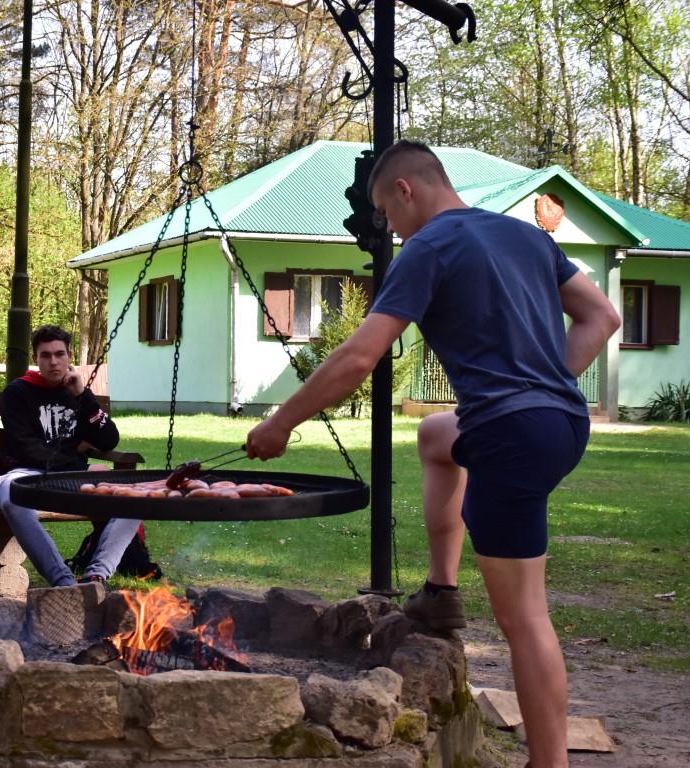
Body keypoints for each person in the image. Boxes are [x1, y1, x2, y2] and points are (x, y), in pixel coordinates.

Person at [245, 140, 621, 768]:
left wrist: (282, 422)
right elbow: (603, 317)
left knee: (525, 616)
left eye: (384, 214)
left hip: (512, 438)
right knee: (437, 436)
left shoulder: (428, 247)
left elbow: (359, 357)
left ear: (406, 191)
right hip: (555, 421)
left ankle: (548, 762)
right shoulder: (527, 238)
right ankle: (441, 590)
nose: (388, 228)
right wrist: (546, 383)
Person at [0, 324, 141, 586]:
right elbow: (26, 448)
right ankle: (64, 581)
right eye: (46, 355)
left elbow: (109, 438)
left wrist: (83, 395)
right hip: (26, 473)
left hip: (71, 477)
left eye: (59, 354)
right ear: (36, 359)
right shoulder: (17, 392)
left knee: (137, 498)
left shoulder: (75, 392)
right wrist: (82, 469)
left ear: (69, 356)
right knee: (11, 501)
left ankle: (96, 575)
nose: (53, 361)